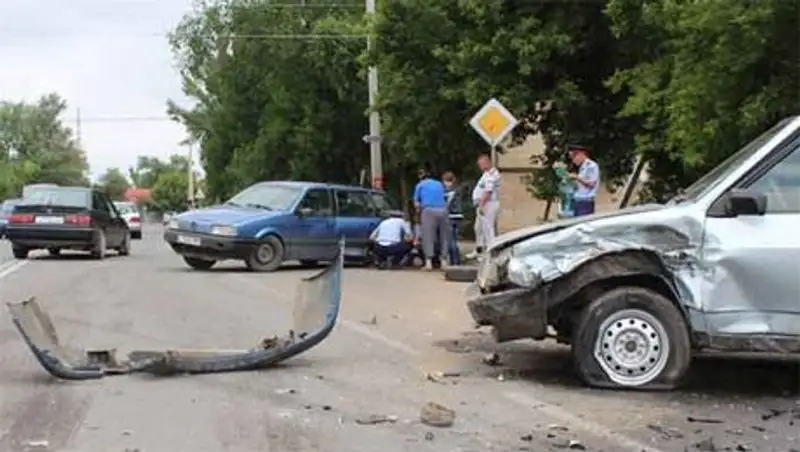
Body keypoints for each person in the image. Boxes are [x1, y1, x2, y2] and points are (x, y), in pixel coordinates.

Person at [412, 167, 449, 271]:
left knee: (428, 236)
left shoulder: (420, 185)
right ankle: (444, 261)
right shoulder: (439, 184)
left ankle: (429, 263)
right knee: (444, 236)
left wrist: (418, 212)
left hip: (428, 210)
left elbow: (416, 203)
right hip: (443, 210)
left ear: (421, 177)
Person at [466, 154, 500, 260]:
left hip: (488, 204)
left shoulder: (491, 174)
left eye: (481, 164)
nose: (480, 166)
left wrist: (481, 205)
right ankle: (479, 249)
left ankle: (491, 251)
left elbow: (488, 191)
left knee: (488, 228)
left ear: (487, 162)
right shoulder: (486, 174)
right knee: (478, 228)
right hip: (484, 204)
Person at [567, 144, 600, 216]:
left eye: (574, 156)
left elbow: (591, 184)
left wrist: (577, 177)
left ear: (581, 154)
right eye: (571, 158)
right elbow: (580, 186)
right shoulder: (581, 167)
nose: (573, 160)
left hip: (585, 203)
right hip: (576, 201)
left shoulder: (591, 166)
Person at [442, 171, 463, 265]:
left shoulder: (449, 192)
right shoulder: (457, 189)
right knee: (454, 239)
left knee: (451, 240)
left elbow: (447, 205)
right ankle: (456, 260)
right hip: (458, 216)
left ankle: (455, 261)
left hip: (451, 216)